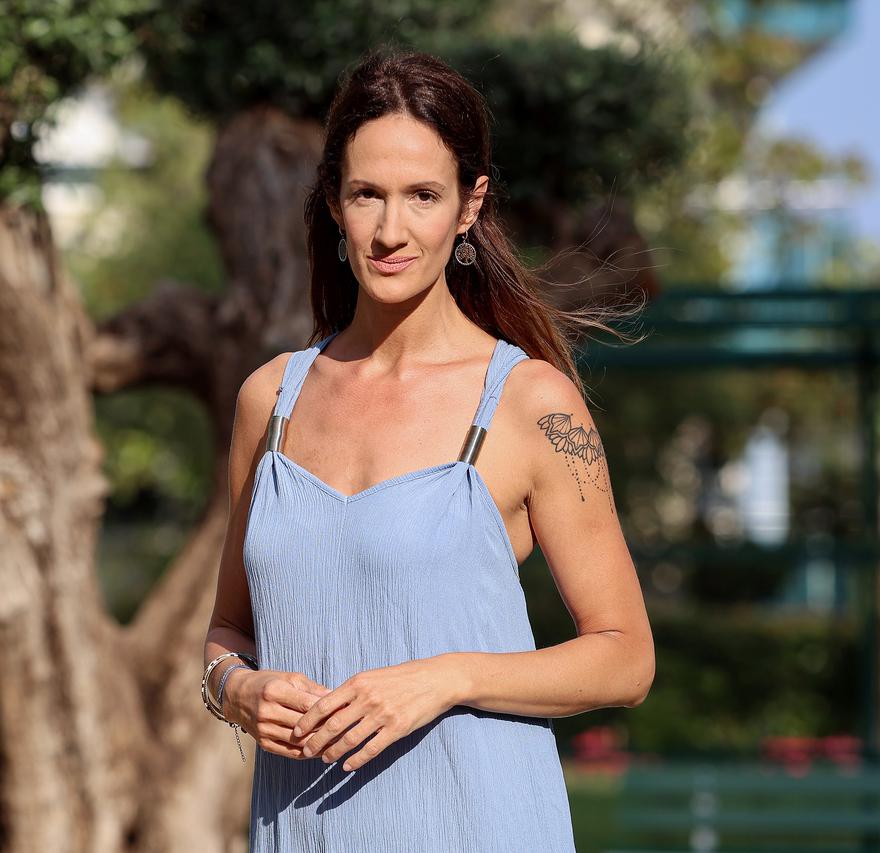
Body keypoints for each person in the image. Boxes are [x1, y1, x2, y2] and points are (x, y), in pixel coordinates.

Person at [200, 48, 654, 852]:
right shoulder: (269, 401)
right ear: (333, 201)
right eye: (366, 194)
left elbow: (625, 659)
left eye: (422, 196)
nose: (390, 231)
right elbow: (228, 630)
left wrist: (447, 677)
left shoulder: (530, 403)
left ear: (470, 205)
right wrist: (236, 689)